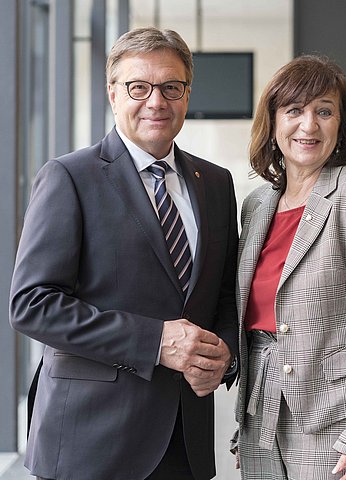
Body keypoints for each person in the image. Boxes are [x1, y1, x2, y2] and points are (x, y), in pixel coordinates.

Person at [10, 27, 238, 480]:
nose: (157, 101)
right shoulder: (69, 177)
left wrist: (223, 354)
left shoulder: (214, 182)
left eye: (171, 87)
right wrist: (154, 342)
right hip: (90, 439)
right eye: (139, 86)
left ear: (187, 94)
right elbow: (32, 306)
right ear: (113, 93)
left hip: (183, 438)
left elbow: (225, 293)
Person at [232, 55, 346, 480]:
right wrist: (246, 424)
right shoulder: (257, 205)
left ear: (340, 126)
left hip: (335, 418)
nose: (308, 126)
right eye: (294, 110)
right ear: (273, 123)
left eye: (324, 111)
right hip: (261, 415)